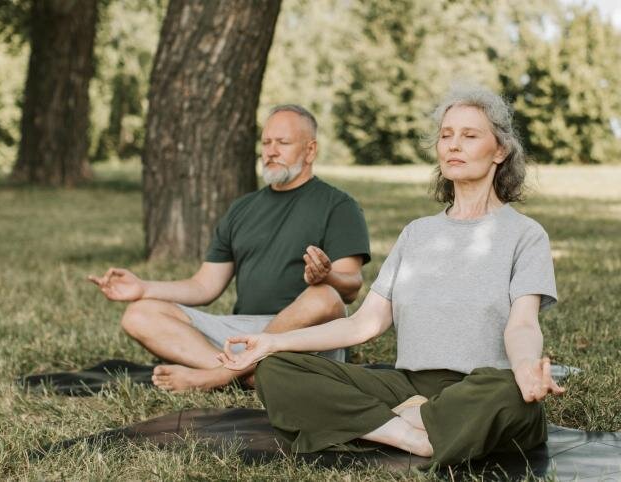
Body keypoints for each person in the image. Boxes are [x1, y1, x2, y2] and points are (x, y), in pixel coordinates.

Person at [218, 87, 565, 466]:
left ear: (500, 150)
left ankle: (387, 422)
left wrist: (526, 368)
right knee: (277, 369)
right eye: (446, 135)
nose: (453, 145)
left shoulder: (525, 235)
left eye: (469, 136)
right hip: (408, 387)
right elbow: (363, 324)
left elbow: (523, 325)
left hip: (479, 387)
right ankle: (411, 436)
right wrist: (272, 343)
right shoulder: (416, 233)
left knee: (512, 397)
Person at [87, 104, 371, 392]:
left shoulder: (338, 206)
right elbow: (204, 286)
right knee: (139, 314)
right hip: (243, 334)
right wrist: (143, 288)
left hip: (304, 335)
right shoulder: (243, 209)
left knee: (324, 296)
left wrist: (327, 276)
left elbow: (349, 290)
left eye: (283, 143)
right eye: (266, 142)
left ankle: (217, 377)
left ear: (310, 150)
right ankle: (248, 377)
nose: (271, 151)